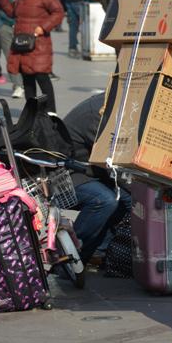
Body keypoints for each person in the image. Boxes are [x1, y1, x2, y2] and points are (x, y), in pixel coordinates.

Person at [63, 93, 132, 266]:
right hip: (65, 174)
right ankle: (71, 258)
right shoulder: (100, 113)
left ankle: (100, 250)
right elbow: (111, 159)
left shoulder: (113, 104)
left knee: (128, 198)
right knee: (105, 200)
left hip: (88, 170)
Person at [0, 0, 64, 113]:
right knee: (27, 79)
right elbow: (13, 12)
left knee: (42, 77)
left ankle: (51, 112)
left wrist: (43, 27)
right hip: (22, 44)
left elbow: (58, 12)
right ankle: (32, 112)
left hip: (39, 44)